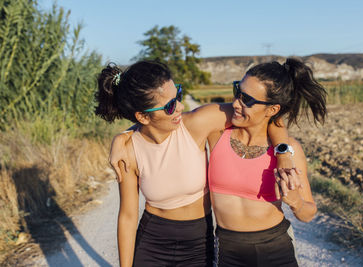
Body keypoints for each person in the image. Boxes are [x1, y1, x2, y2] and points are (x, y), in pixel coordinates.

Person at [95, 60, 293, 267]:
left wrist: (284, 154)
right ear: (143, 117)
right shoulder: (129, 150)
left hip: (199, 245)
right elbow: (127, 216)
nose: (180, 107)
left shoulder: (197, 124)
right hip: (152, 241)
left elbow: (266, 117)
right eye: (171, 105)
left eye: (178, 95)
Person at [207, 57, 327, 266]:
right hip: (228, 251)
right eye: (238, 92)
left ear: (272, 110)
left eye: (247, 100)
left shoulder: (290, 150)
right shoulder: (215, 135)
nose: (236, 103)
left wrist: (296, 202)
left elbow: (308, 214)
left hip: (276, 249)